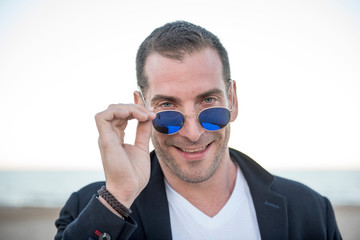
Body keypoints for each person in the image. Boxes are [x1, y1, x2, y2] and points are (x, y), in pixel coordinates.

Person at [55, 21, 342, 240]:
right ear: (140, 108)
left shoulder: (311, 211)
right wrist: (119, 197)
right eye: (168, 106)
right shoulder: (94, 207)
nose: (192, 133)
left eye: (208, 102)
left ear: (233, 100)